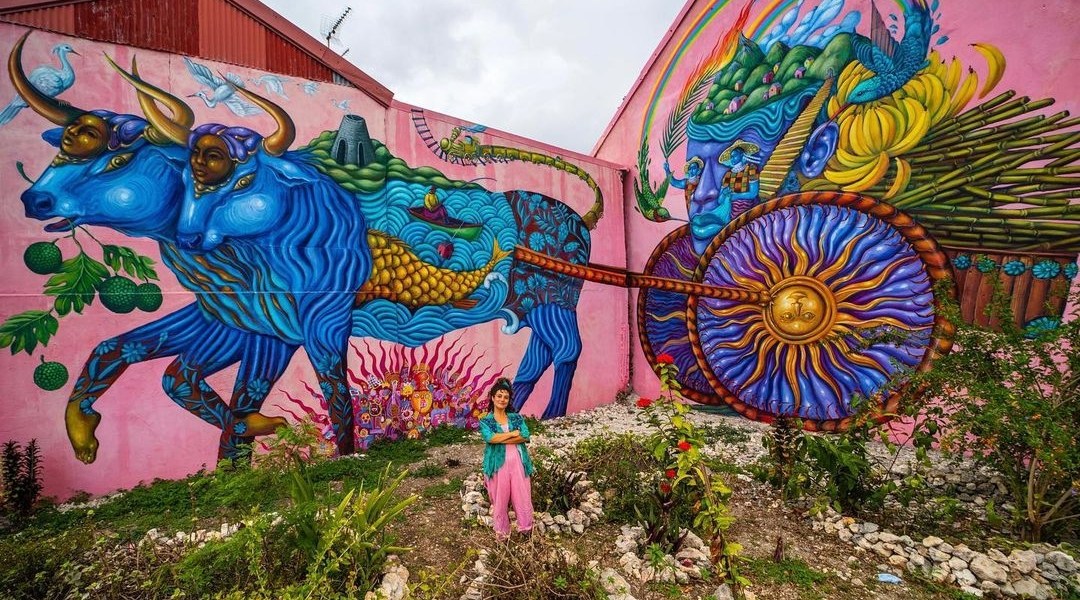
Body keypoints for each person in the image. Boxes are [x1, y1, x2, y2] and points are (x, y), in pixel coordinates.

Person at [478, 377, 534, 540]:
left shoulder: (516, 418)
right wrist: (511, 434)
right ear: (493, 397)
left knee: (522, 497)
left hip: (518, 463)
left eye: (506, 397)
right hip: (497, 465)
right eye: (499, 396)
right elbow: (490, 438)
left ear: (509, 400)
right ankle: (502, 535)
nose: (502, 399)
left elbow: (525, 436)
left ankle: (526, 530)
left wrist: (502, 436)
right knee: (500, 501)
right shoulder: (486, 420)